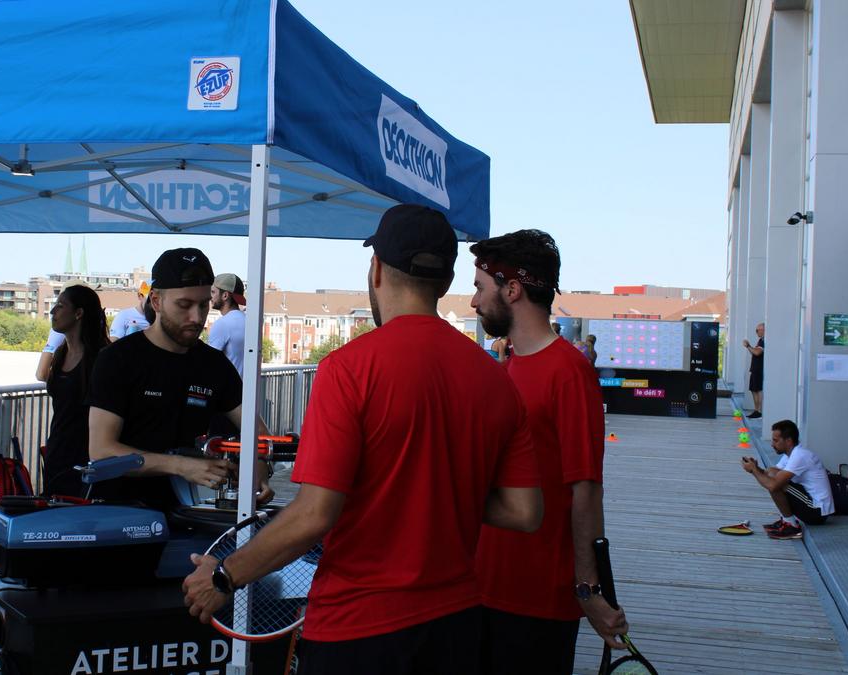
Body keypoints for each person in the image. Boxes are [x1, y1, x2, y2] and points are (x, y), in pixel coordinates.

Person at [182, 204, 543, 675]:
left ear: (376, 270)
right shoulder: (497, 380)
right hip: (456, 626)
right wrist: (433, 490)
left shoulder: (348, 369)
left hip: (358, 628)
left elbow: (315, 514)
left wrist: (224, 575)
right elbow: (524, 512)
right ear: (446, 282)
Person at [470, 229, 628, 674]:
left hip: (537, 598)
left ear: (512, 290)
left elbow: (586, 489)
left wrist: (587, 589)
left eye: (480, 287)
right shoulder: (511, 366)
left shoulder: (569, 371)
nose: (475, 302)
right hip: (484, 587)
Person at [88, 248, 273, 512]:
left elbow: (258, 433)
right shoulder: (118, 359)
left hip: (188, 513)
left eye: (203, 305)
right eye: (184, 305)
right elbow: (101, 451)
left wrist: (259, 470)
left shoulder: (214, 365)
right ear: (156, 301)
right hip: (119, 512)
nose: (197, 318)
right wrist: (181, 466)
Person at [42, 285, 111, 497]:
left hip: (85, 462)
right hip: (57, 455)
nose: (53, 311)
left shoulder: (102, 359)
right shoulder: (60, 354)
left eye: (60, 306)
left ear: (78, 313)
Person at [740, 419, 834, 540]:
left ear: (788, 441)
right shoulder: (791, 454)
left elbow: (773, 485)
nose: (772, 444)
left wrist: (754, 471)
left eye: (775, 440)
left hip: (817, 511)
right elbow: (770, 473)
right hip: (808, 502)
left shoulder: (800, 456)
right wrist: (756, 468)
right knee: (773, 473)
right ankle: (786, 521)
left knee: (777, 483)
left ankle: (791, 526)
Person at [208, 273, 247, 376]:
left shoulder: (222, 324)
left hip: (227, 385)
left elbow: (209, 363)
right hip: (247, 385)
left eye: (213, 292)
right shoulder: (248, 321)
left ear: (225, 295)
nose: (210, 297)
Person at [743, 323, 765, 418]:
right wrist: (749, 347)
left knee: (757, 389)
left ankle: (758, 411)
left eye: (757, 330)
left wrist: (748, 345)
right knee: (753, 389)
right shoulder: (760, 340)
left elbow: (757, 352)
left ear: (763, 330)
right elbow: (754, 352)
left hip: (759, 369)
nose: (756, 332)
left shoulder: (763, 341)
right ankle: (756, 410)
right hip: (755, 369)